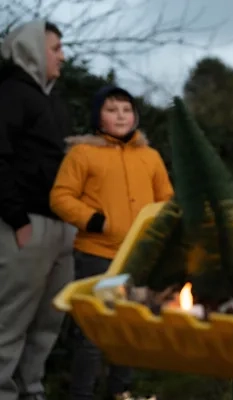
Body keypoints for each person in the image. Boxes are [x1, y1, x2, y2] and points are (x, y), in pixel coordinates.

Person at [50, 85, 174, 399]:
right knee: (91, 335)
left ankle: (122, 393)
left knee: (130, 330)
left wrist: (162, 232)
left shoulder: (150, 156)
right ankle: (81, 394)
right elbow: (60, 196)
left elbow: (167, 201)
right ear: (98, 117)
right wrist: (94, 220)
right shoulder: (82, 153)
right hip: (96, 256)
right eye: (111, 109)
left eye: (126, 109)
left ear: (135, 116)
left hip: (140, 258)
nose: (121, 116)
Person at [0, 20, 75, 400]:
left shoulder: (52, 102)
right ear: (31, 49)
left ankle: (32, 391)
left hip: (61, 228)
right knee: (8, 322)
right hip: (25, 226)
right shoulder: (12, 94)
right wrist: (17, 219)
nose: (63, 55)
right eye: (55, 48)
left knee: (48, 323)